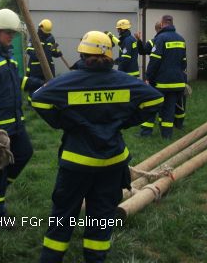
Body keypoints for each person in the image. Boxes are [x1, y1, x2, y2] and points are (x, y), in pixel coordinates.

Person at [31, 31, 163, 263]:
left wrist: (65, 122)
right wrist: (122, 121)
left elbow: (38, 98)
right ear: (110, 56)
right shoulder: (124, 81)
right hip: (112, 163)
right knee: (101, 218)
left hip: (76, 163)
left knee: (63, 216)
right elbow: (155, 99)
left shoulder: (67, 82)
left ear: (83, 53)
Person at [0, 9, 43, 218]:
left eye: (13, 33)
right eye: (8, 33)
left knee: (24, 154)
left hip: (15, 121)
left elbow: (17, 81)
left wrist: (43, 85)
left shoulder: (7, 54)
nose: (11, 37)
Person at [144, 15, 187, 139]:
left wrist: (148, 77)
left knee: (152, 105)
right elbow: (184, 62)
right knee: (169, 109)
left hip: (161, 83)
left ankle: (145, 132)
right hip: (177, 82)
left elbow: (155, 60)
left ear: (162, 24)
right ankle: (166, 136)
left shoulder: (161, 38)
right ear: (172, 23)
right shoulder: (181, 39)